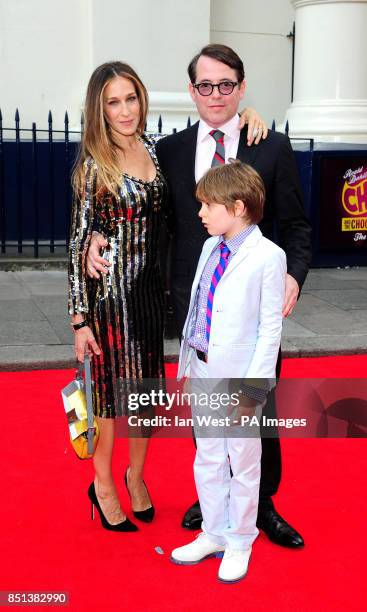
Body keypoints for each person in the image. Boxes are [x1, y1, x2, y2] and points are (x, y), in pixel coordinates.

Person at [86, 43, 311, 547]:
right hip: (196, 310)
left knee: (258, 407)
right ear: (191, 91)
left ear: (241, 87)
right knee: (208, 410)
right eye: (205, 85)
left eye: (226, 84)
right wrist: (97, 238)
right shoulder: (166, 151)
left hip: (256, 309)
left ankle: (261, 506)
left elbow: (296, 226)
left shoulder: (270, 146)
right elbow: (137, 211)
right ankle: (212, 503)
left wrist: (293, 275)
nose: (215, 94)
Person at [170, 160, 286, 583]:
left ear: (238, 206)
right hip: (203, 370)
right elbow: (200, 305)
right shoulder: (209, 246)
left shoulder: (268, 257)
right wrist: (188, 363)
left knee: (243, 460)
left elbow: (269, 328)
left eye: (207, 205)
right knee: (209, 457)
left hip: (241, 379)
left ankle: (240, 540)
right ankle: (213, 532)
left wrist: (254, 390)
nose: (200, 213)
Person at [68, 61, 168, 531]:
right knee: (109, 402)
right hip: (109, 302)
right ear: (99, 109)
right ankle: (102, 484)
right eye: (114, 101)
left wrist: (247, 112)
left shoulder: (153, 147)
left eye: (131, 98)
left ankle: (136, 475)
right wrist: (79, 321)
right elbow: (76, 243)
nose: (125, 109)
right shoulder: (94, 164)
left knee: (145, 397)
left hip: (150, 298)